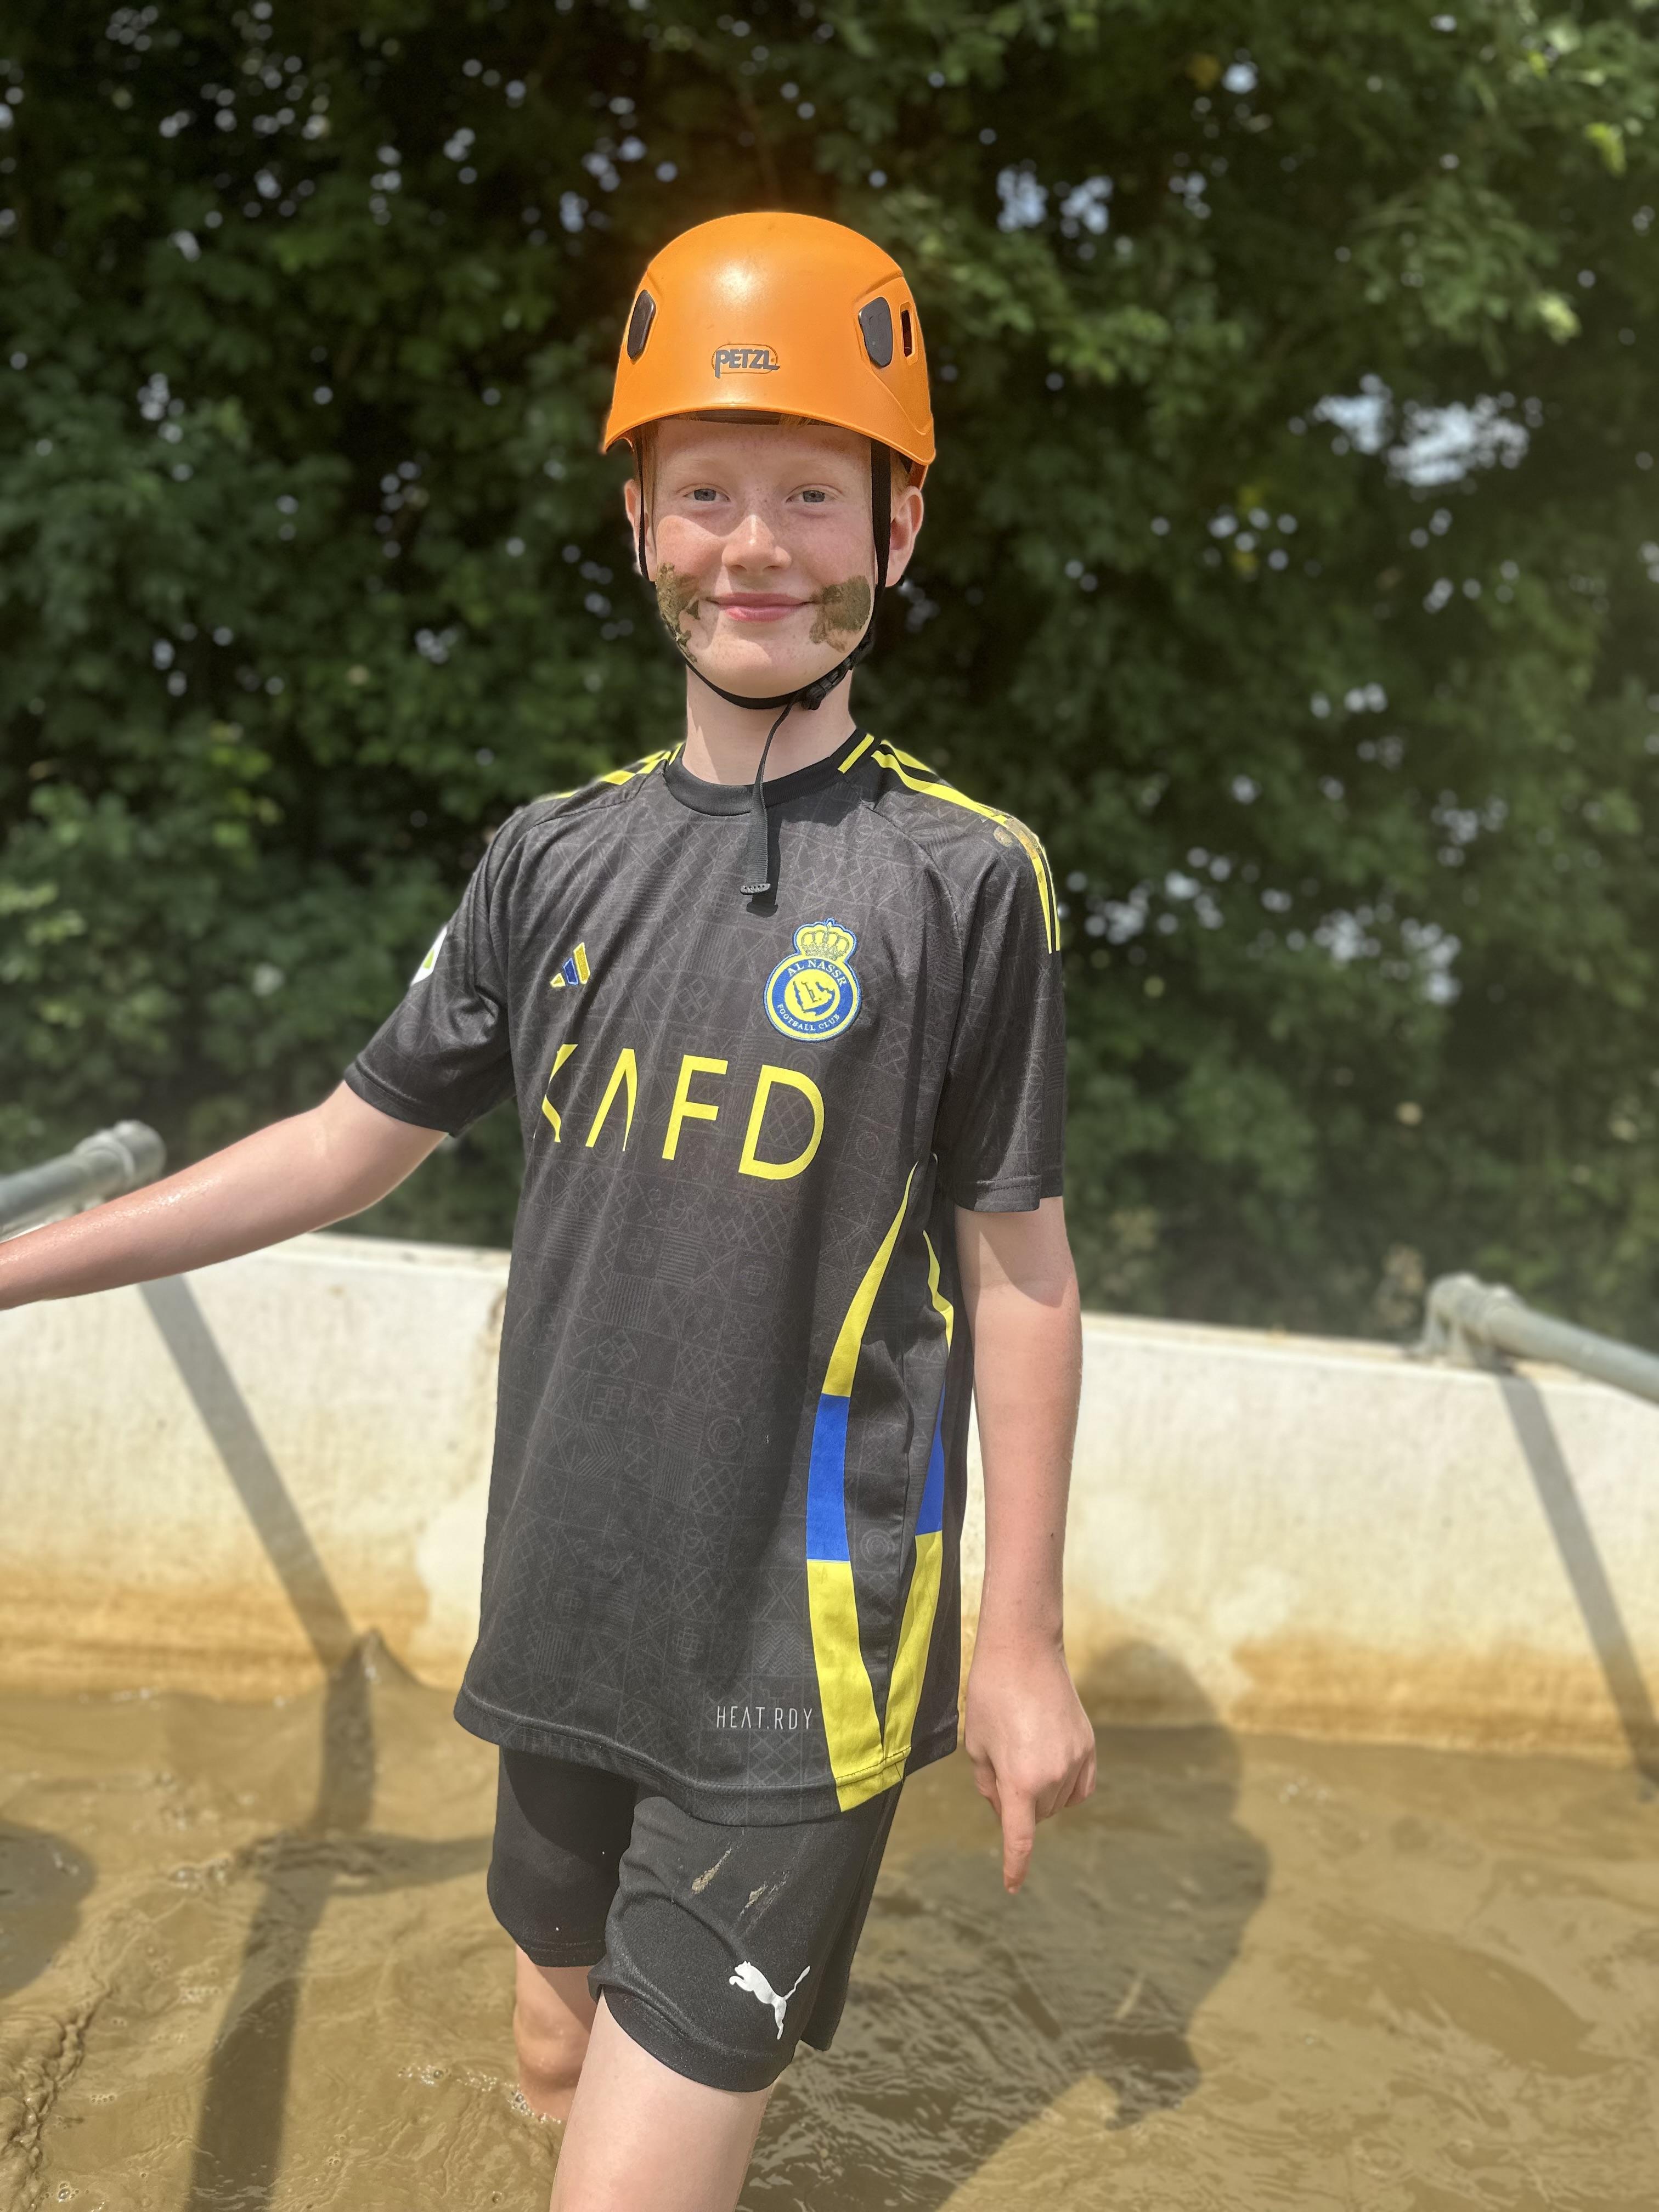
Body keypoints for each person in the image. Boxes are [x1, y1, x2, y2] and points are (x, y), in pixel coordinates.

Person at [0, 211, 1096, 2211]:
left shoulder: (963, 880)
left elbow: (1021, 1269)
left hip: (797, 1650)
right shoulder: (549, 859)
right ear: (638, 523)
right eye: (706, 491)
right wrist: (14, 1271)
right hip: (567, 1602)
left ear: (899, 527)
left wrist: (1016, 1641)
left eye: (811, 494)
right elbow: (338, 1145)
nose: (756, 544)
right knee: (543, 2048)